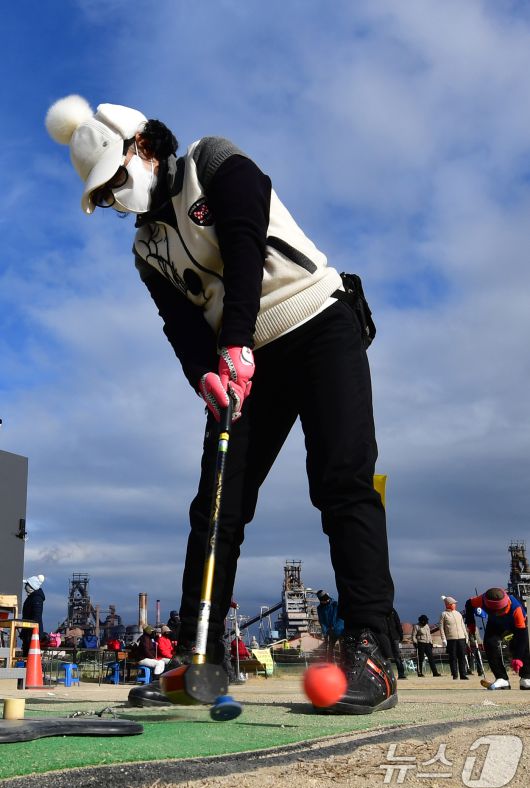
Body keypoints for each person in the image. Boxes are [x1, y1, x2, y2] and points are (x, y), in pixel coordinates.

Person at [45, 95, 397, 715]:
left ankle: (372, 648)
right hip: (242, 365)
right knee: (216, 505)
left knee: (343, 481)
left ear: (144, 148)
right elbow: (180, 326)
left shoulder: (212, 159)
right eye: (105, 197)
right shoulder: (146, 250)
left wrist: (234, 340)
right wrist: (204, 376)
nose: (118, 200)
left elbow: (244, 240)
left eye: (117, 181)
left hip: (317, 323)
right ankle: (198, 655)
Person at [465, 587, 530, 691]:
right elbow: (469, 604)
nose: (499, 613)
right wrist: (471, 623)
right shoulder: (481, 599)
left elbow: (523, 637)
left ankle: (526, 677)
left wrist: (517, 657)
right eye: (495, 611)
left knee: (522, 646)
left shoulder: (516, 608)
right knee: (489, 643)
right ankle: (502, 678)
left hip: (514, 624)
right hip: (495, 623)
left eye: (501, 610)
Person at [439, 596, 469, 680]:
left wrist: (466, 636)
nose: (455, 605)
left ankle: (463, 674)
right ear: (448, 604)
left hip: (461, 638)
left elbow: (462, 625)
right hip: (451, 639)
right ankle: (455, 674)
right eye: (453, 603)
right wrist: (443, 639)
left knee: (462, 656)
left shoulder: (458, 613)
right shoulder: (443, 614)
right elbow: (441, 628)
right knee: (453, 657)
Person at [20, 575, 45, 657]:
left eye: (27, 584)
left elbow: (36, 617)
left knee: (30, 656)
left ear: (31, 586)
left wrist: (31, 633)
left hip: (32, 633)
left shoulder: (36, 598)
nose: (25, 587)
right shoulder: (32, 597)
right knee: (26, 654)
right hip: (28, 632)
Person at [316, 591, 345, 661]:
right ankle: (329, 664)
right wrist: (325, 632)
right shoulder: (320, 608)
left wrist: (335, 628)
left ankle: (343, 664)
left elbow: (339, 618)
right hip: (330, 631)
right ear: (321, 601)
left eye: (327, 599)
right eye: (325, 600)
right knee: (329, 649)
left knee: (343, 649)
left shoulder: (335, 604)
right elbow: (322, 621)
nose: (327, 601)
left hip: (340, 630)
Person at [387, 607, 407, 680]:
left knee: (396, 656)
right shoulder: (392, 611)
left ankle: (401, 674)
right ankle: (400, 674)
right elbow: (398, 623)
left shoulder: (392, 611)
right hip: (390, 636)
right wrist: (400, 635)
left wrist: (400, 635)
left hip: (392, 636)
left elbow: (398, 623)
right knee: (395, 656)